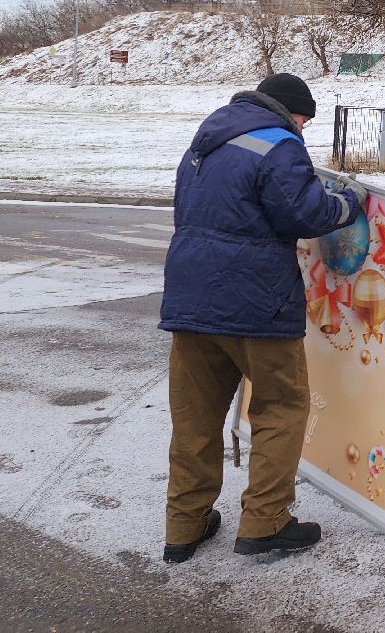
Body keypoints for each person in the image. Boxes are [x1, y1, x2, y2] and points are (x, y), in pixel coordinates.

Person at [159, 73, 361, 563]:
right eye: (304, 121)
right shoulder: (279, 143)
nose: (304, 130)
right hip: (257, 302)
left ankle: (184, 526)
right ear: (291, 112)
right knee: (280, 409)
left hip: (190, 298)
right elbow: (306, 213)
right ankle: (265, 523)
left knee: (195, 418)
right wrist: (348, 203)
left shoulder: (206, 140)